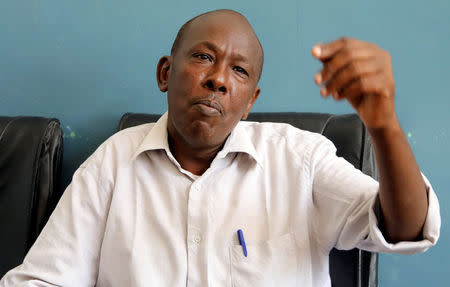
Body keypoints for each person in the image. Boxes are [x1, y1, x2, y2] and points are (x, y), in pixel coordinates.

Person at [0, 9, 440, 287]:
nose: (219, 79)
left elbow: (405, 229)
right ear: (165, 74)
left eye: (240, 71)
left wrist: (383, 125)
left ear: (250, 103)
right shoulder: (112, 164)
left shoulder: (301, 160)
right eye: (204, 57)